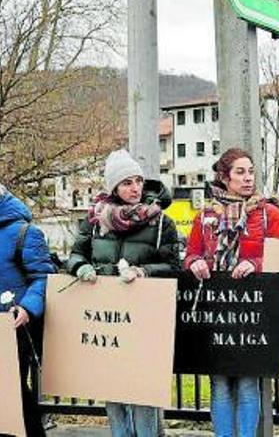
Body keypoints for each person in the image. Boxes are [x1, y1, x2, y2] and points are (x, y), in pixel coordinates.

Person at [67, 149, 179, 437]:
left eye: (138, 181)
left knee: (142, 392)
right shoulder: (95, 222)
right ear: (114, 186)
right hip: (108, 319)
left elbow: (173, 266)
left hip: (144, 320)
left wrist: (144, 272)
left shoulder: (160, 222)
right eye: (127, 182)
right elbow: (75, 255)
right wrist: (81, 268)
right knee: (113, 390)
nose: (135, 188)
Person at [184, 147, 279, 437]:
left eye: (251, 171)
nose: (247, 178)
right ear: (224, 177)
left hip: (255, 309)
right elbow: (190, 254)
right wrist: (196, 264)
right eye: (240, 172)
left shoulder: (269, 214)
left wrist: (254, 263)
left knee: (246, 383)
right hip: (217, 308)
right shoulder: (205, 215)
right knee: (219, 384)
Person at [0, 183, 55, 437]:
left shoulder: (25, 232)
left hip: (14, 326)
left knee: (13, 393)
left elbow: (44, 278)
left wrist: (27, 307)